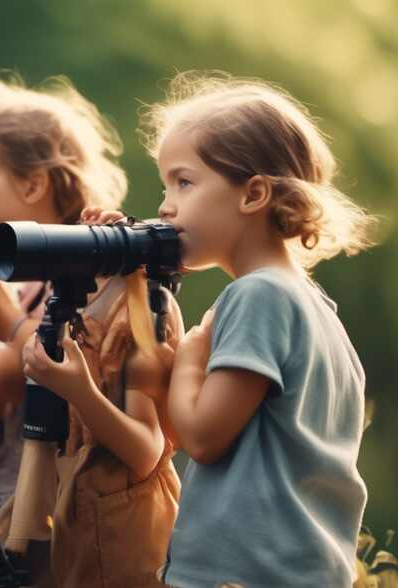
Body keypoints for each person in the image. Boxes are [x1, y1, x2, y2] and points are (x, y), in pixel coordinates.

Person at [142, 71, 376, 586]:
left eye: (184, 181)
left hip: (242, 574)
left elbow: (203, 438)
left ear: (252, 195)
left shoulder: (259, 295)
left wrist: (188, 357)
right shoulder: (313, 306)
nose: (165, 205)